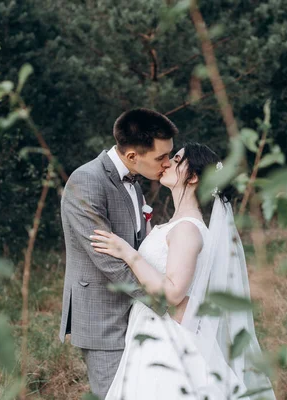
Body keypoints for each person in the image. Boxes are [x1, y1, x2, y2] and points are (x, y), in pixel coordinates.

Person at [90, 143, 276, 400]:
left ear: (194, 176)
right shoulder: (177, 224)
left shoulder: (187, 229)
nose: (166, 163)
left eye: (176, 159)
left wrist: (127, 253)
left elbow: (174, 293)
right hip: (150, 328)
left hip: (167, 339)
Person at [59, 108, 177, 399]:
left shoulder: (134, 184)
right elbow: (108, 260)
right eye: (160, 157)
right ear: (133, 156)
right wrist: (161, 301)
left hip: (135, 315)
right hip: (103, 317)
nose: (167, 163)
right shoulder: (87, 181)